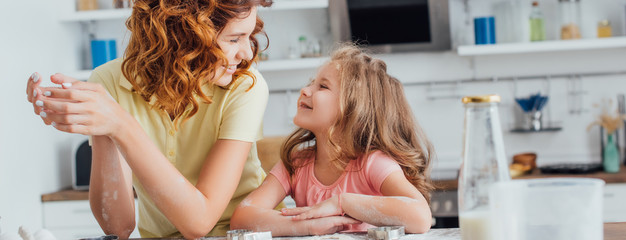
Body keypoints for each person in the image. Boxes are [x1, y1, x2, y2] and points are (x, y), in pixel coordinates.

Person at [24, 0, 275, 238]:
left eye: (248, 37)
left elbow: (199, 222)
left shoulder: (245, 86)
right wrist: (101, 122)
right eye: (234, 39)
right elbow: (118, 227)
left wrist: (120, 123)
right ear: (186, 35)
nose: (245, 52)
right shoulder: (109, 81)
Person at [231, 44, 434, 236]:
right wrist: (309, 225)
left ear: (354, 109)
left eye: (323, 86)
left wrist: (341, 202)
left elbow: (420, 217)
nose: (306, 90)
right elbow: (243, 218)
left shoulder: (372, 164)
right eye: (312, 82)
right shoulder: (296, 164)